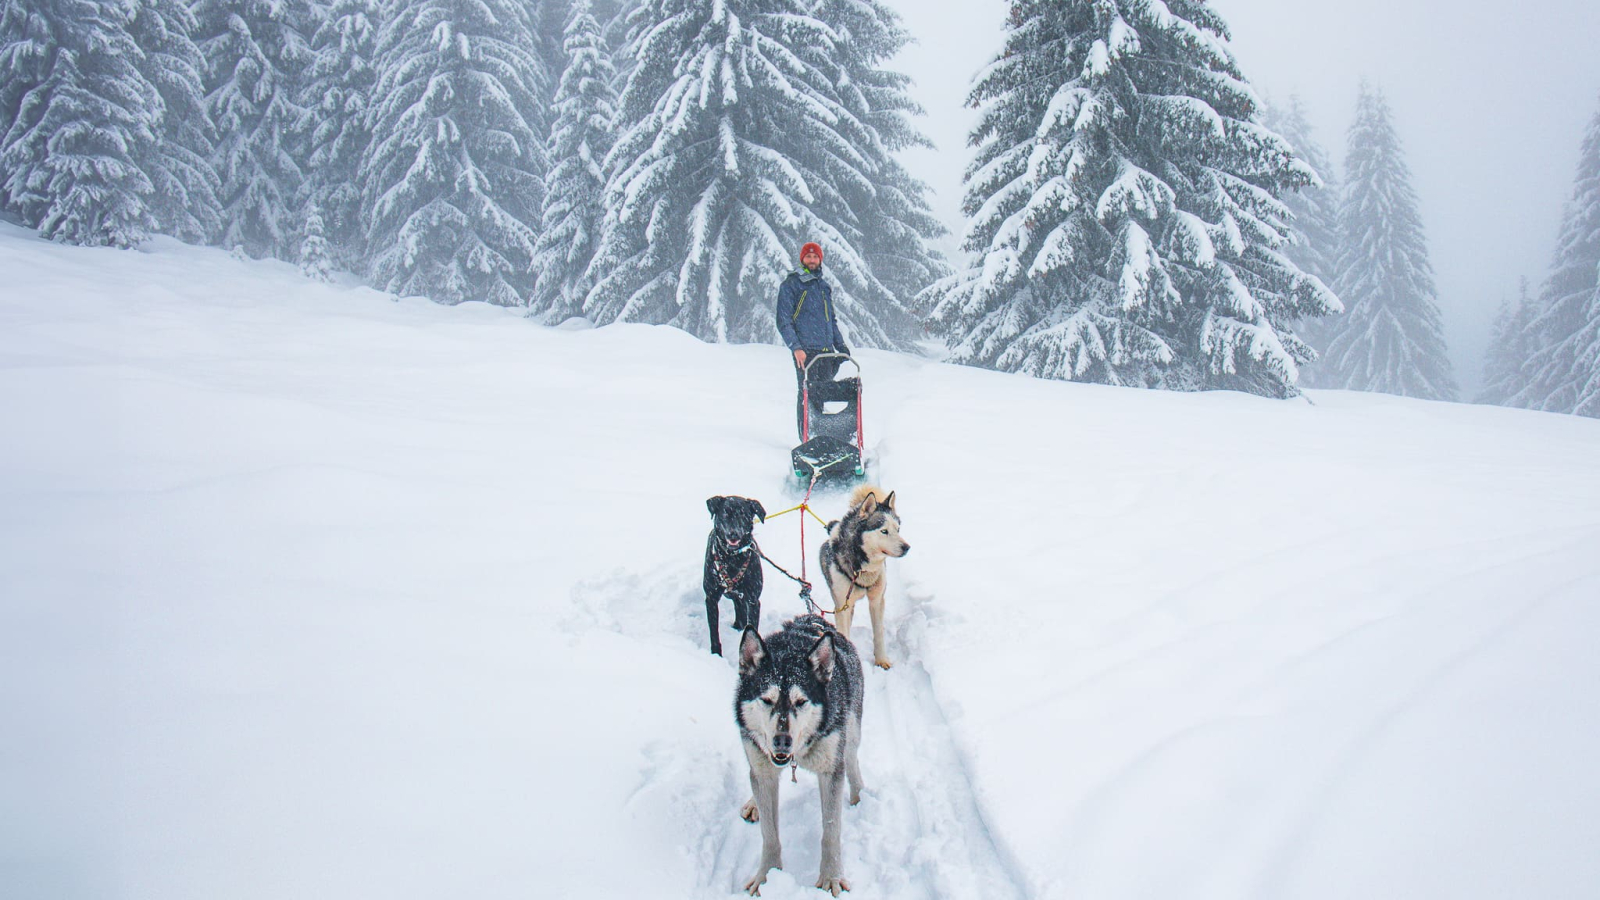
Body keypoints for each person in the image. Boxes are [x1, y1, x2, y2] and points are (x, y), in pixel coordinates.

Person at [776, 241, 849, 440]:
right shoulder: (792, 284)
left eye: (815, 257)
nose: (812, 260)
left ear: (820, 260)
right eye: (808, 257)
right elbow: (783, 320)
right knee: (807, 394)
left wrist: (840, 346)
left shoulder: (823, 287)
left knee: (822, 393)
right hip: (805, 351)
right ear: (802, 259)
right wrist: (796, 347)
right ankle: (806, 438)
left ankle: (821, 437)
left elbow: (830, 320)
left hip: (826, 350)